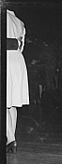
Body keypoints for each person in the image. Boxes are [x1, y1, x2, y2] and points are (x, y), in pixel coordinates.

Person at [6, 9, 29, 153]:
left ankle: (11, 138)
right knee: (13, 102)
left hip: (6, 58)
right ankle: (11, 138)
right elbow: (22, 46)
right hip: (18, 60)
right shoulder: (19, 21)